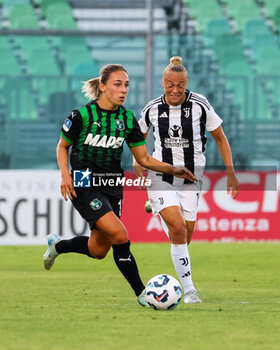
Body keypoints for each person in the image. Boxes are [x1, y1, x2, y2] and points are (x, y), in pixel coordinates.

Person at [43, 63, 196, 307]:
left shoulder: (127, 119)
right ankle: (143, 294)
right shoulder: (80, 116)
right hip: (83, 185)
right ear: (102, 87)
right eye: (117, 84)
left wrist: (173, 169)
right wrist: (65, 175)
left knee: (98, 250)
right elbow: (62, 146)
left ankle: (59, 245)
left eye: (126, 85)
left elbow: (144, 159)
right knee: (120, 235)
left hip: (113, 186)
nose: (123, 90)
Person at [133, 56, 239, 304]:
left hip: (192, 179)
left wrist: (231, 172)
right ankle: (190, 291)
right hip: (161, 175)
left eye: (180, 85)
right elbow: (137, 136)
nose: (175, 90)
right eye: (170, 84)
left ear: (186, 82)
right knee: (178, 229)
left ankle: (157, 209)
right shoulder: (152, 108)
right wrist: (139, 159)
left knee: (183, 238)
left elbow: (220, 138)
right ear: (163, 82)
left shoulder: (200, 104)